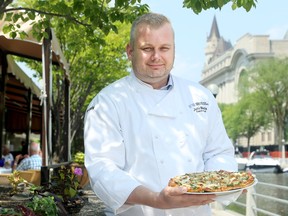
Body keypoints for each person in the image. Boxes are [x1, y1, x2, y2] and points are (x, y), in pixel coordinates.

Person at [84, 13, 237, 216]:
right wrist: (157, 200)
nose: (157, 56)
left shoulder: (201, 96)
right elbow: (103, 169)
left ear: (173, 50)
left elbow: (219, 152)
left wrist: (220, 184)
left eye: (164, 48)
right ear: (130, 51)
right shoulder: (108, 103)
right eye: (147, 49)